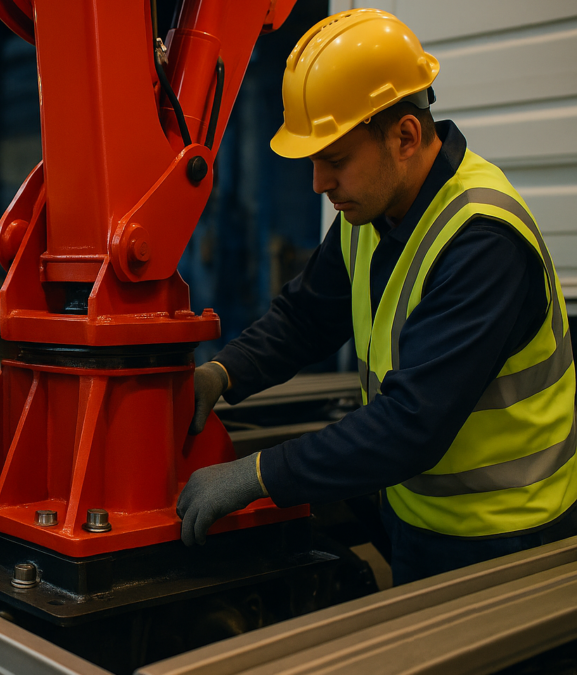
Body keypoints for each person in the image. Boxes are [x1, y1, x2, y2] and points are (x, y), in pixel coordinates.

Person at [177, 9, 577, 585]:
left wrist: (258, 476)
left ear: (406, 138)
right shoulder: (374, 214)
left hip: (505, 541)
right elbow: (306, 317)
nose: (317, 183)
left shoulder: (482, 240)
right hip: (418, 515)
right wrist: (222, 373)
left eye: (334, 160)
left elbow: (411, 424)